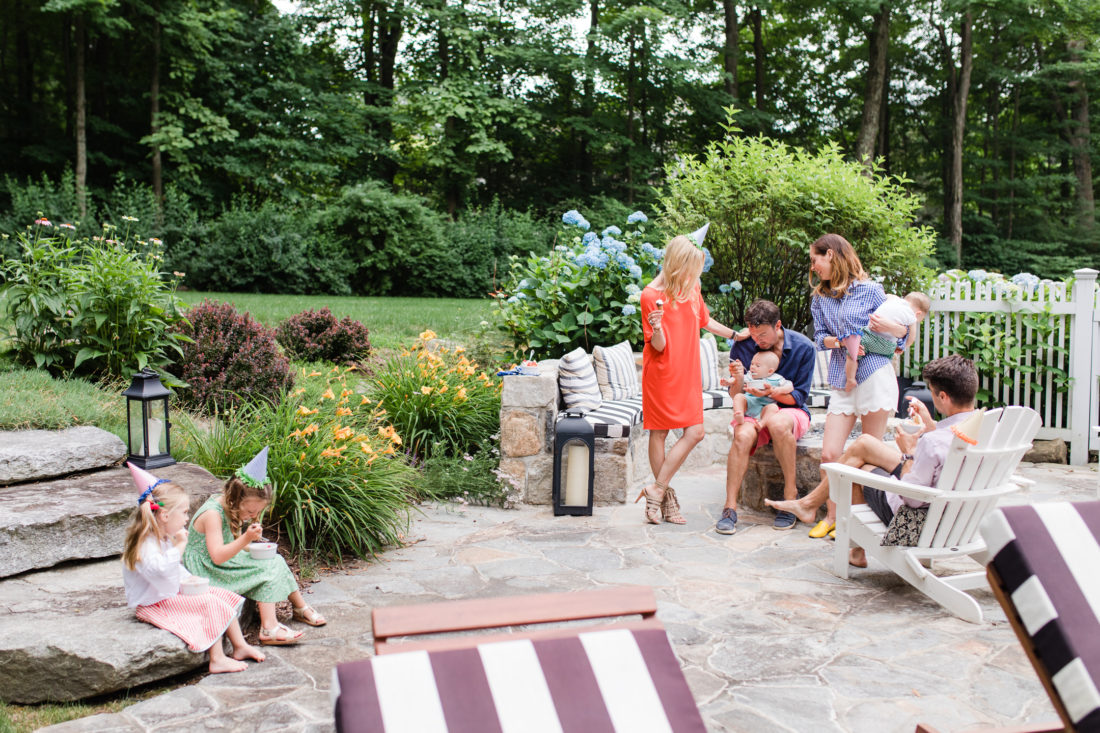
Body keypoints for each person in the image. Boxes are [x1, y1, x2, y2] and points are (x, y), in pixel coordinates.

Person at [765, 354, 979, 566]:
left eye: (932, 393)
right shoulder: (988, 428)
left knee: (859, 470)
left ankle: (844, 539)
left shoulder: (932, 443)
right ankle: (809, 504)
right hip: (962, 518)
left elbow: (912, 499)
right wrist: (930, 424)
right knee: (865, 444)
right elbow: (946, 449)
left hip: (920, 523)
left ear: (943, 397)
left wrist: (909, 453)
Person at [807, 233, 910, 539]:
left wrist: (891, 331)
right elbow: (819, 339)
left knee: (867, 455)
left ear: (831, 255)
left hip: (874, 376)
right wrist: (840, 341)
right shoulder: (820, 298)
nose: (813, 268)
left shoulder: (870, 290)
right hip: (842, 379)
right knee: (830, 454)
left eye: (815, 259)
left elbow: (902, 335)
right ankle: (832, 516)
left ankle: (855, 525)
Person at [122, 463, 263, 673]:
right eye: (185, 512)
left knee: (218, 594)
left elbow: (175, 572)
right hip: (153, 603)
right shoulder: (147, 544)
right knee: (207, 603)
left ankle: (240, 645)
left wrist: (190, 580)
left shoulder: (162, 539)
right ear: (165, 516)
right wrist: (179, 546)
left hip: (166, 594)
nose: (188, 518)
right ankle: (217, 658)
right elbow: (159, 571)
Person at [638, 230, 736, 525]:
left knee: (695, 431)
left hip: (687, 373)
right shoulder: (650, 296)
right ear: (677, 264)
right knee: (659, 432)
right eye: (692, 269)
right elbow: (659, 346)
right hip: (662, 374)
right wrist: (656, 328)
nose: (695, 275)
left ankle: (655, 489)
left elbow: (704, 321)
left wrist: (734, 334)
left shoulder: (690, 288)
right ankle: (666, 500)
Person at [183, 447, 326, 645]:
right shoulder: (212, 514)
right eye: (251, 511)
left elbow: (231, 544)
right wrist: (246, 539)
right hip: (207, 569)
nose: (253, 516)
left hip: (221, 561)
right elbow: (217, 555)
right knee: (266, 569)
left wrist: (254, 548)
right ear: (234, 499)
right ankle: (269, 628)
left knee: (274, 559)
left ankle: (300, 608)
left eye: (258, 512)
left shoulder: (231, 508)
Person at [719, 299, 815, 534]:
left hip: (788, 409)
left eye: (762, 334)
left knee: (778, 423)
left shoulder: (804, 348)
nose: (756, 340)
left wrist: (772, 392)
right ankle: (730, 508)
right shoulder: (742, 346)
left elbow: (799, 397)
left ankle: (790, 498)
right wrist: (739, 379)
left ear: (778, 325)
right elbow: (736, 394)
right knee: (741, 435)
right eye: (752, 334)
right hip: (753, 406)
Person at [842, 291, 931, 392]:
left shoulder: (893, 299)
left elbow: (888, 295)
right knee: (890, 356)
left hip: (869, 336)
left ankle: (850, 379)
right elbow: (911, 337)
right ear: (918, 313)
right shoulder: (911, 315)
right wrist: (902, 347)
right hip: (887, 347)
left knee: (852, 353)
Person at [726, 350, 791, 428]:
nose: (752, 367)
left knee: (773, 407)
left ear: (770, 371)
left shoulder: (776, 378)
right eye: (752, 364)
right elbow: (736, 379)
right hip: (749, 403)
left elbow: (790, 386)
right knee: (739, 396)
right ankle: (739, 414)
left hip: (765, 406)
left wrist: (777, 390)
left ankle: (762, 424)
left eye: (757, 365)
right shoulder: (750, 375)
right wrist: (728, 382)